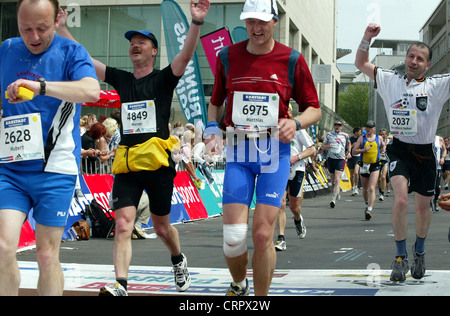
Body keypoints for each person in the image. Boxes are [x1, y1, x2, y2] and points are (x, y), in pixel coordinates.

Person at [57, 0, 210, 296]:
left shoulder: (164, 79)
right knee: (124, 224)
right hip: (127, 165)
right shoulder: (122, 80)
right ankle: (121, 285)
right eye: (132, 43)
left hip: (158, 166)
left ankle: (178, 259)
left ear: (153, 51)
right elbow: (86, 59)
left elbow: (187, 54)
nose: (135, 46)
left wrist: (196, 22)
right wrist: (62, 27)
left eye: (142, 42)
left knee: (163, 227)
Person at [206, 0, 321, 296]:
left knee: (261, 233)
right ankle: (240, 282)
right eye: (250, 22)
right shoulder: (227, 56)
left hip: (274, 153)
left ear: (274, 21)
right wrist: (210, 127)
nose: (255, 28)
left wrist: (295, 122)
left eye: (261, 22)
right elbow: (216, 102)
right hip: (239, 153)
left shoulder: (292, 59)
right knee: (232, 239)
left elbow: (314, 109)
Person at [0, 0, 99, 296]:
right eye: (25, 28)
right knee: (4, 246)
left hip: (54, 170)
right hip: (10, 168)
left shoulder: (72, 52)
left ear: (57, 20)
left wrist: (42, 87)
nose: (33, 37)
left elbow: (91, 90)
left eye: (41, 28)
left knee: (46, 254)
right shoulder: (7, 49)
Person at [355, 23, 450, 282]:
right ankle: (399, 258)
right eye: (411, 56)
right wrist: (367, 38)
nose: (414, 61)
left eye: (420, 59)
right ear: (405, 58)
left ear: (428, 65)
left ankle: (419, 252)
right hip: (399, 149)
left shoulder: (436, 85)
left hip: (426, 152)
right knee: (400, 200)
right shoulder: (389, 80)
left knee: (422, 209)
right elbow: (360, 63)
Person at [274, 116, 315, 250]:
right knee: (280, 204)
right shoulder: (273, 128)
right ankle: (281, 239)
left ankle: (297, 219)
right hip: (280, 169)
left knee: (294, 207)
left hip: (297, 169)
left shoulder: (298, 129)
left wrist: (296, 157)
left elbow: (311, 149)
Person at [352, 120, 385, 220]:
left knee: (371, 188)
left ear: (374, 129)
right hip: (364, 165)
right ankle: (367, 204)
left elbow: (383, 145)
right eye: (367, 127)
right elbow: (354, 151)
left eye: (371, 128)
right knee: (365, 189)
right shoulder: (362, 139)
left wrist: (383, 151)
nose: (368, 129)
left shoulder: (378, 138)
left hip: (375, 165)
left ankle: (369, 210)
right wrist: (363, 150)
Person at [321, 120, 351, 208]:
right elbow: (322, 146)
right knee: (333, 181)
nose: (337, 127)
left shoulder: (345, 135)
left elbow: (349, 143)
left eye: (339, 125)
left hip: (340, 159)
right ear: (334, 126)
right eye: (336, 125)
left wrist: (349, 152)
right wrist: (327, 146)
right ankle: (337, 192)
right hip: (331, 159)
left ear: (341, 127)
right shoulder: (329, 134)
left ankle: (333, 199)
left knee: (338, 179)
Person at [431, 135, 446, 212]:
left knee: (437, 187)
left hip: (438, 167)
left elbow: (444, 149)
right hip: (428, 167)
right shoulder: (424, 138)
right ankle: (429, 204)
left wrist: (443, 157)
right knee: (429, 186)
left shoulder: (439, 139)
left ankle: (436, 200)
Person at [348, 126, 362, 196]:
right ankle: (352, 187)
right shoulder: (350, 139)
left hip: (358, 158)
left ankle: (356, 186)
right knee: (351, 174)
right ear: (356, 132)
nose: (360, 133)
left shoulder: (361, 139)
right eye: (359, 132)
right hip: (351, 158)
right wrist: (353, 146)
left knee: (356, 172)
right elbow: (347, 148)